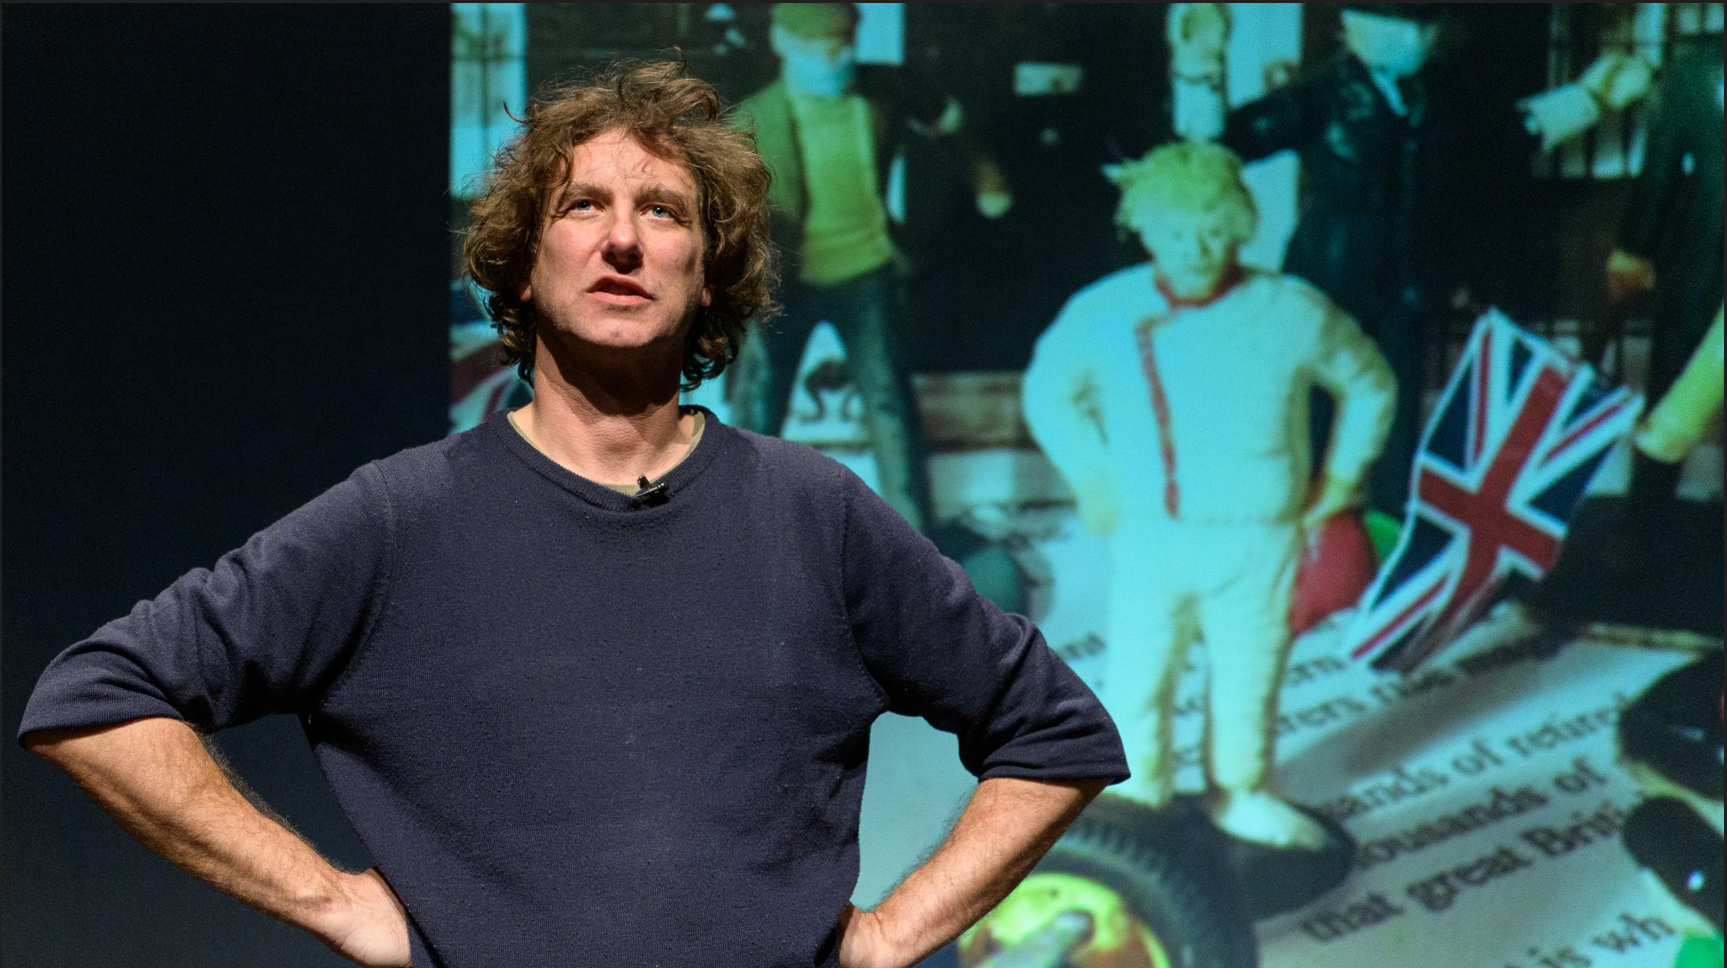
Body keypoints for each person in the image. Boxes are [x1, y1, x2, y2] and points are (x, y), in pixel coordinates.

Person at [19, 62, 1127, 968]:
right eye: (582, 205)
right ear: (522, 263)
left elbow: (1057, 731)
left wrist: (892, 935)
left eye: (663, 211)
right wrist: (332, 900)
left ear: (709, 277)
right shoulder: (404, 517)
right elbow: (95, 699)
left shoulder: (810, 513)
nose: (623, 239)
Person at [1021, 141, 1394, 849]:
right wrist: (1094, 478)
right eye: (1172, 231)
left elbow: (1370, 383)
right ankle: (1139, 799)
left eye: (1213, 229)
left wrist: (1340, 482)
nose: (1194, 248)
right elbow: (1049, 390)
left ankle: (1242, 791)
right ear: (1142, 229)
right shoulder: (1106, 310)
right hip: (1150, 534)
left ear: (1241, 225)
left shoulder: (1291, 311)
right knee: (1138, 670)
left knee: (1248, 672)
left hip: (1259, 535)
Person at [1166, 2, 1651, 514]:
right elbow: (1219, 144)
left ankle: (1388, 522)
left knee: (1395, 409)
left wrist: (1590, 98)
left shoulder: (1441, 94)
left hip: (1411, 282)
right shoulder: (1321, 94)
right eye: (1398, 20)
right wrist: (1199, 67)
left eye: (1427, 22)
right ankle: (1301, 520)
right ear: (1350, 23)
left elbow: (1505, 132)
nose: (1416, 37)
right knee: (1311, 402)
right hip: (1328, 279)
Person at [726, 2, 1013, 535]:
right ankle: (733, 537)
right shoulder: (751, 119)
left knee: (890, 406)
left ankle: (917, 539)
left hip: (867, 269)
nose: (831, 58)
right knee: (756, 406)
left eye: (843, 46)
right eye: (816, 47)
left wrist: (986, 176)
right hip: (782, 281)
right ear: (782, 43)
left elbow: (949, 123)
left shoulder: (884, 89)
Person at [1606, 40, 1724, 537]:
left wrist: (1634, 249)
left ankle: (1643, 526)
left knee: (1678, 374)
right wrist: (1635, 248)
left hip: (1702, 246)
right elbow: (1662, 168)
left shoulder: (1694, 68)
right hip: (1704, 247)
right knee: (1677, 375)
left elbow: (1662, 168)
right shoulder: (1695, 68)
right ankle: (1643, 524)